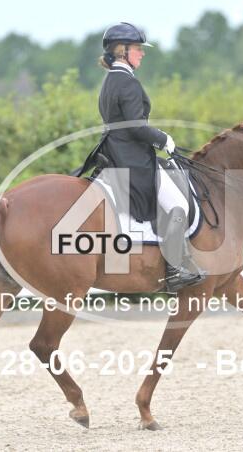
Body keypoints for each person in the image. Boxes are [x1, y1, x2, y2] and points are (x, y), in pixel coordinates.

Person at [94, 22, 204, 292]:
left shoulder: (110, 81)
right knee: (178, 205)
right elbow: (136, 126)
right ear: (122, 51)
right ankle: (175, 269)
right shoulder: (127, 82)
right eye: (138, 49)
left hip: (115, 153)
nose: (142, 53)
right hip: (132, 157)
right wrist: (163, 139)